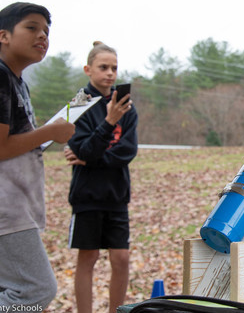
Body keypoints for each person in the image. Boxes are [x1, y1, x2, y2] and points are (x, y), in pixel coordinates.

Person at [0, 2, 76, 308]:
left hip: (10, 204)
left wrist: (46, 135)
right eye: (32, 28)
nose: (42, 37)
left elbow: (13, 143)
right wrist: (49, 133)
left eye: (46, 32)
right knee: (35, 289)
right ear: (3, 35)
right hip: (0, 209)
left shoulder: (16, 81)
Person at [64, 41, 138, 313]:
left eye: (114, 68)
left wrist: (93, 158)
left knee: (121, 259)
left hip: (116, 195)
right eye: (103, 67)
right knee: (89, 258)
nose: (110, 73)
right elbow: (80, 149)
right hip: (87, 195)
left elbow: (127, 151)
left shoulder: (125, 105)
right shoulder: (77, 105)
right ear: (88, 69)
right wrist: (108, 123)